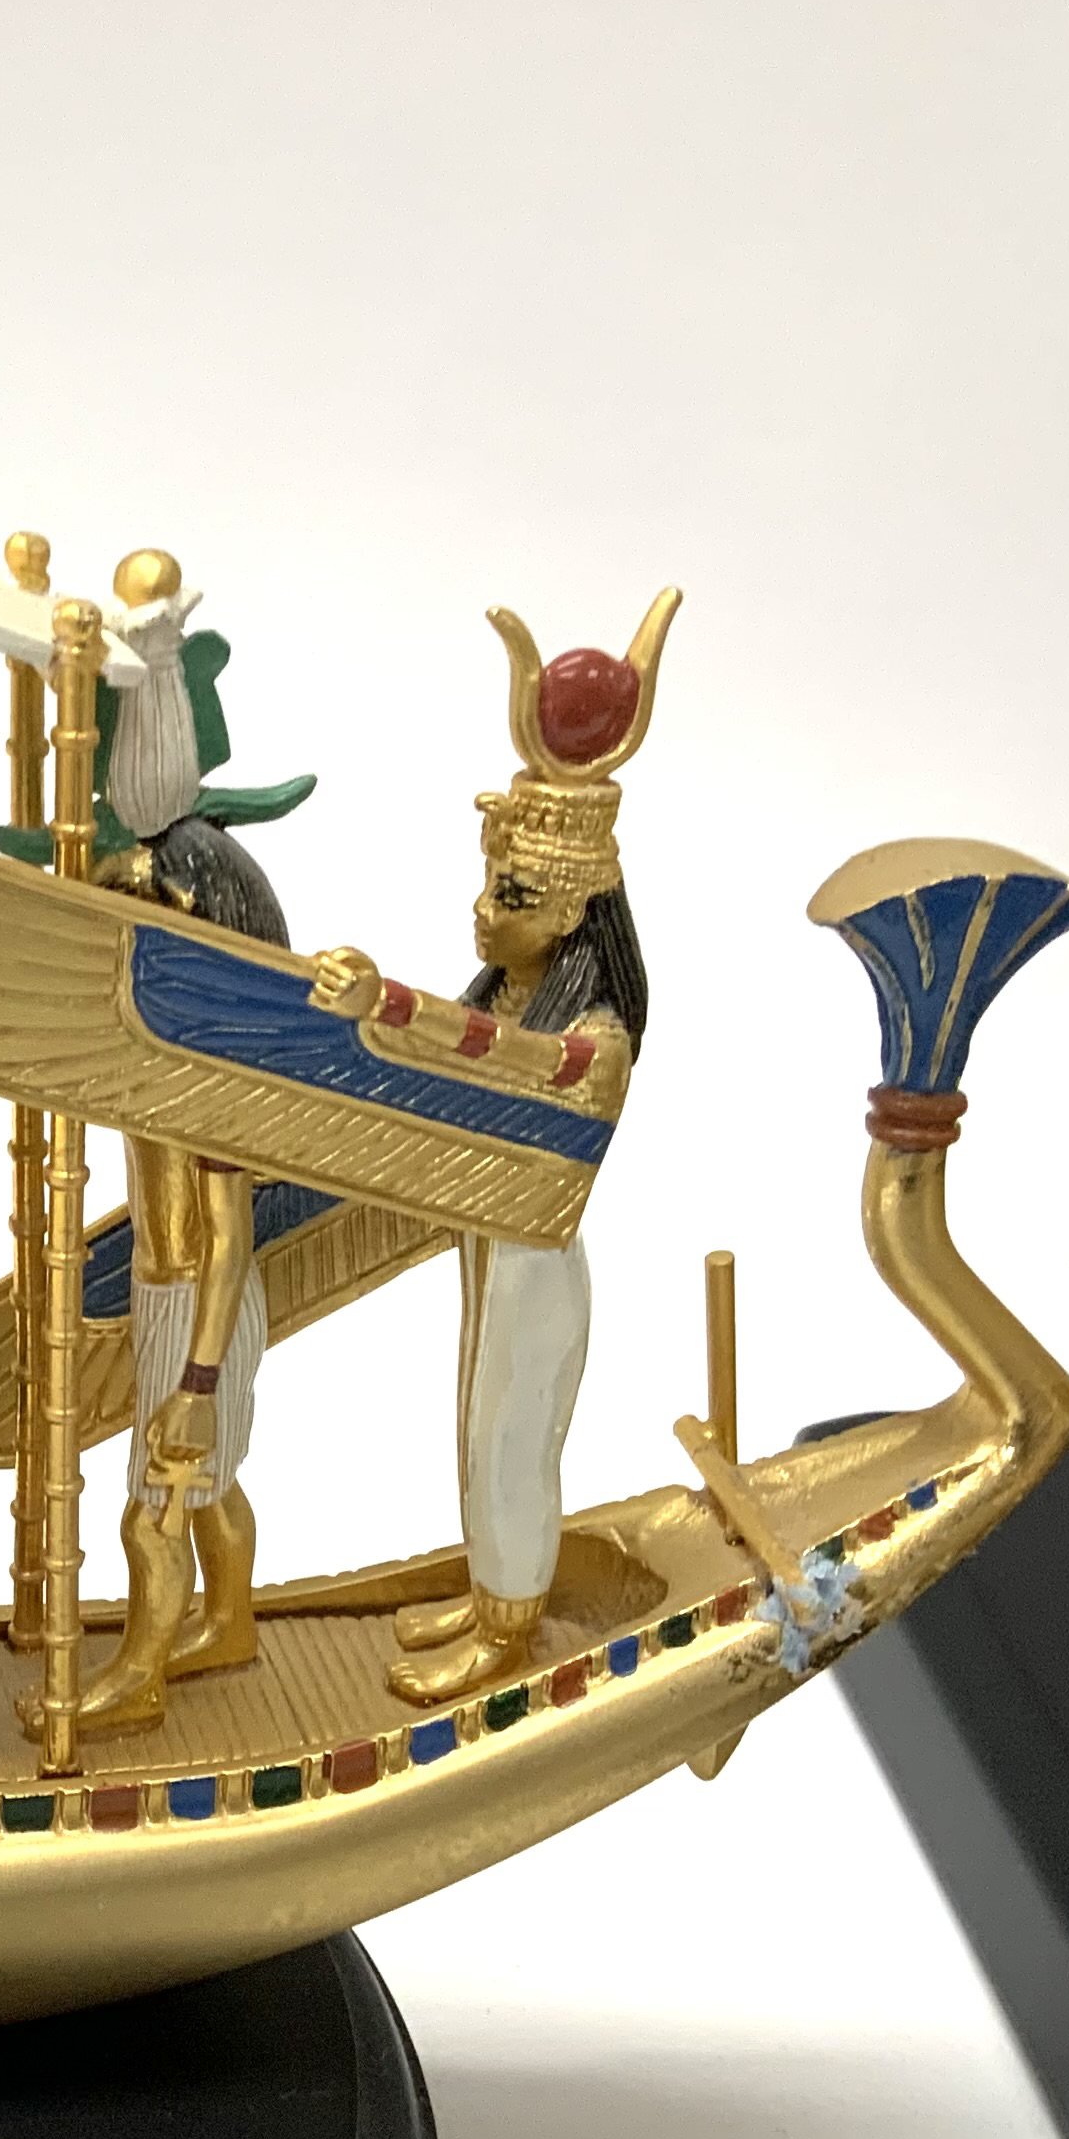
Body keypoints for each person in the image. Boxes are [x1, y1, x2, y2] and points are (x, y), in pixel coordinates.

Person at [307, 595, 670, 1704]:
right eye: (485, 887)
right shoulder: (511, 993)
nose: (482, 913)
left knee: (512, 1442)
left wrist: (389, 1006)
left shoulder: (592, 1036)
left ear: (567, 914)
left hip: (537, 1260)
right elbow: (453, 1051)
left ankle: (508, 1632)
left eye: (508, 897)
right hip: (490, 1245)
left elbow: (504, 1065)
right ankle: (488, 1597)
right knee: (473, 1429)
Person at [48, 549, 319, 1733]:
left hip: (200, 1310)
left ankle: (143, 1669)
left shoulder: (210, 1083)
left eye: (143, 919)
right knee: (210, 1491)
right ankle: (232, 1620)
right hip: (179, 1294)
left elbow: (225, 1238)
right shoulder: (167, 1066)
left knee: (155, 1501)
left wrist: (198, 1382)